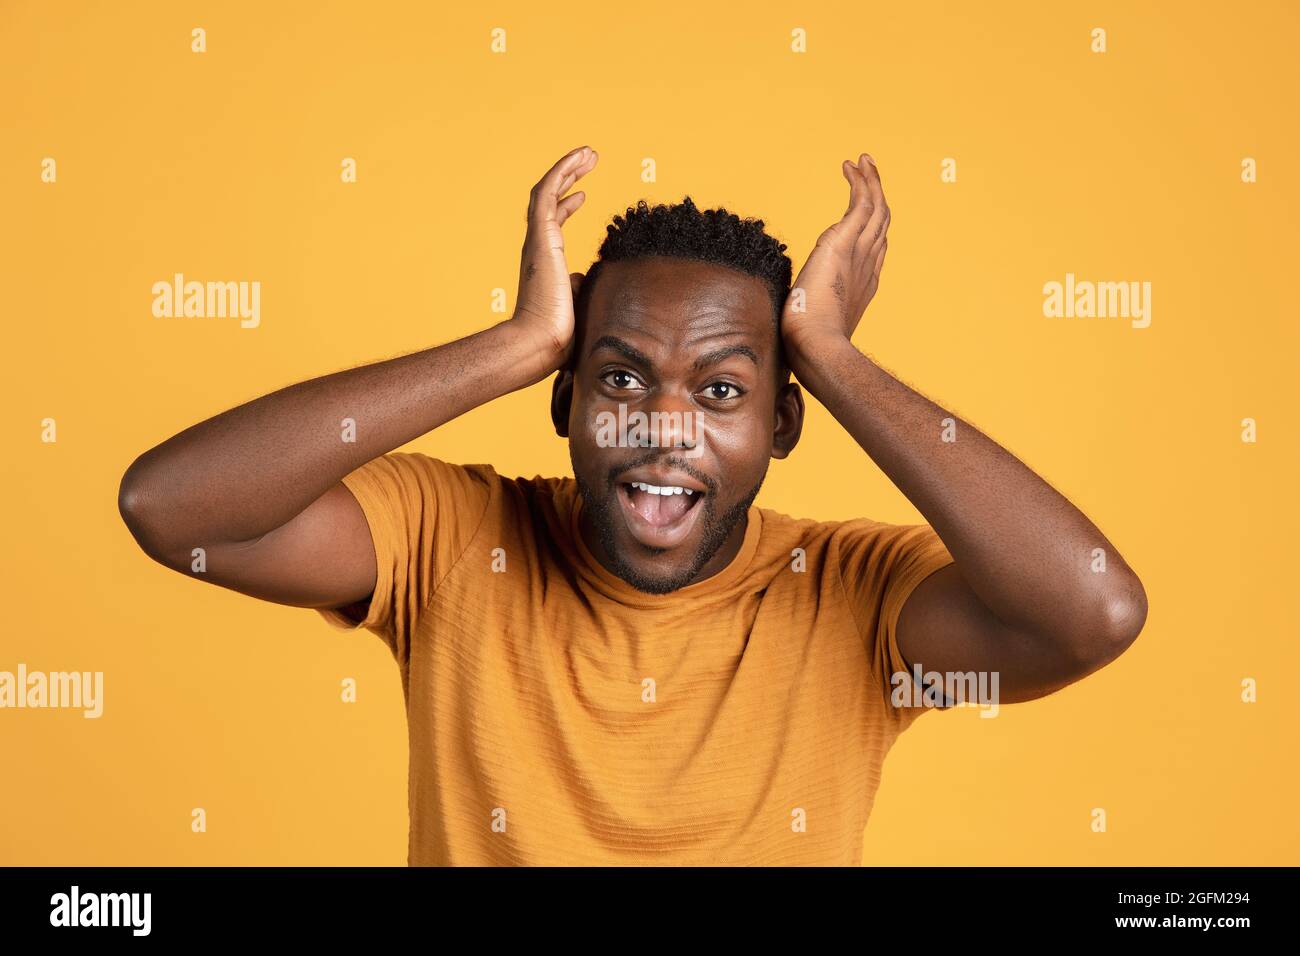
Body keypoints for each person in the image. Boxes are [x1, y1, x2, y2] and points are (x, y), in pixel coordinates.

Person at [118, 145, 1147, 865]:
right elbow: (173, 508)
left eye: (720, 389)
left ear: (783, 422)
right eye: (618, 379)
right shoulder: (450, 538)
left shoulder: (851, 598)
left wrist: (833, 356)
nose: (662, 425)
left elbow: (1091, 610)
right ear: (563, 399)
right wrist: (510, 347)